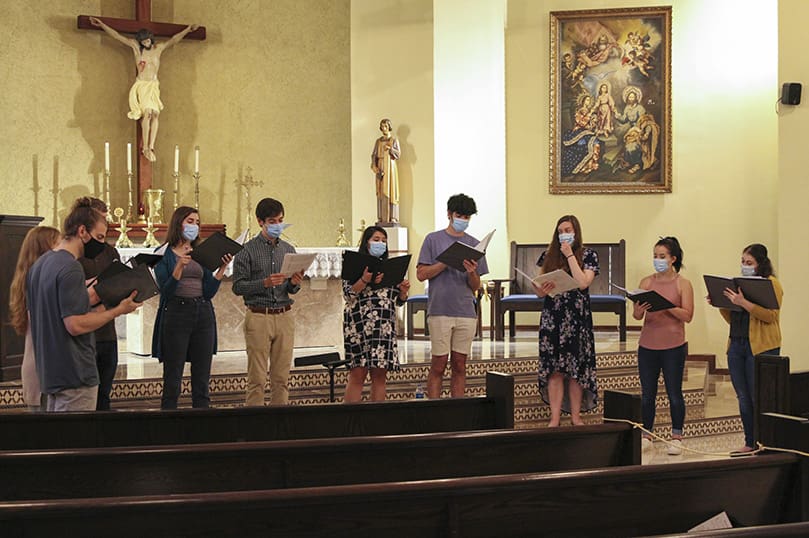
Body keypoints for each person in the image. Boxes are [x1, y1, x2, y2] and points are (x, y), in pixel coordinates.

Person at [27, 197, 140, 412]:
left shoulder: (41, 264)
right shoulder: (71, 267)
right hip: (75, 374)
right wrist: (118, 310)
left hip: (51, 371)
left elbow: (50, 310)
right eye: (98, 236)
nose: (100, 243)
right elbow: (75, 325)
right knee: (76, 441)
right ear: (82, 231)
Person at [151, 206, 231, 409]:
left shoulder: (200, 253)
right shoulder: (163, 253)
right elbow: (166, 293)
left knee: (202, 377)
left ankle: (202, 426)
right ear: (179, 223)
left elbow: (208, 292)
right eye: (190, 221)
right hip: (177, 313)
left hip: (202, 312)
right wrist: (179, 267)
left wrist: (221, 269)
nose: (194, 226)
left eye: (197, 222)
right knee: (173, 377)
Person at [89, 17, 199, 162]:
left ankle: (151, 146)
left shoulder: (158, 48)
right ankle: (145, 147)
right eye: (143, 41)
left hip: (153, 85)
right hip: (142, 85)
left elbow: (173, 39)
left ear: (151, 39)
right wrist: (102, 25)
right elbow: (117, 36)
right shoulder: (136, 48)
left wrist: (187, 29)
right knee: (147, 113)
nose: (145, 43)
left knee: (155, 114)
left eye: (147, 40)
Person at [232, 198, 305, 406]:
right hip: (258, 316)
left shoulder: (288, 249)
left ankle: (279, 426)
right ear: (260, 222)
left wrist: (294, 282)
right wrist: (264, 283)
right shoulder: (246, 250)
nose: (277, 226)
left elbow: (292, 289)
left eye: (281, 220)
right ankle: (256, 428)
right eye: (272, 221)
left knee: (281, 378)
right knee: (257, 378)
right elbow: (238, 287)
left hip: (284, 315)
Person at [417, 193, 488, 398]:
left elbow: (475, 286)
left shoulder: (474, 244)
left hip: (465, 310)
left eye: (467, 217)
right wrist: (445, 261)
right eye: (459, 216)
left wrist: (471, 271)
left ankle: (458, 411)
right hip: (440, 310)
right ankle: (435, 409)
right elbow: (421, 274)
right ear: (449, 214)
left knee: (460, 364)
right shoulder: (433, 239)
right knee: (438, 364)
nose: (463, 221)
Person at [714, 243, 782, 453]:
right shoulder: (738, 284)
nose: (744, 266)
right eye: (743, 262)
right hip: (737, 344)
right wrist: (721, 302)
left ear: (761, 263)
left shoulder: (771, 284)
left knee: (758, 396)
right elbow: (732, 319)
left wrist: (744, 302)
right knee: (743, 397)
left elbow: (771, 316)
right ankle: (749, 442)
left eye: (749, 262)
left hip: (762, 347)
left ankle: (765, 443)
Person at [532, 215, 598, 426]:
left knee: (576, 369)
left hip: (577, 319)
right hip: (554, 318)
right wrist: (541, 289)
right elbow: (539, 291)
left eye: (567, 230)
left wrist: (570, 256)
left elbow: (582, 283)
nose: (563, 234)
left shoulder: (588, 255)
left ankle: (576, 417)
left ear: (576, 232)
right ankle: (554, 418)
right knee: (555, 369)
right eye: (560, 231)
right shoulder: (548, 255)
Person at [632, 237, 694, 455]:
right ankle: (646, 434)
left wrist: (667, 306)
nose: (657, 260)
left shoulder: (682, 283)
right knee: (647, 393)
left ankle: (676, 435)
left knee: (674, 393)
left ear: (673, 259)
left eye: (662, 256)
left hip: (673, 346)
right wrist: (640, 308)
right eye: (655, 256)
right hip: (648, 345)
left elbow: (687, 315)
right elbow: (637, 314)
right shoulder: (646, 282)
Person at [342, 226, 410, 402]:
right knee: (358, 373)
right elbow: (348, 294)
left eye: (383, 240)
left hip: (383, 326)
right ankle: (350, 421)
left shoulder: (390, 266)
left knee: (379, 376)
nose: (380, 243)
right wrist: (365, 279)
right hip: (358, 325)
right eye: (376, 239)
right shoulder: (354, 263)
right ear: (367, 242)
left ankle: (376, 420)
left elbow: (398, 300)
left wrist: (403, 292)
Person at [9, 226, 61, 411]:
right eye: (57, 243)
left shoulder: (28, 277)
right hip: (42, 367)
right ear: (45, 249)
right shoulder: (38, 280)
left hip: (38, 363)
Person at [78, 198, 122, 410]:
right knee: (85, 396)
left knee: (104, 394)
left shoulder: (110, 252)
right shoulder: (73, 255)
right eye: (99, 220)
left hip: (107, 334)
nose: (104, 225)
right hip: (84, 334)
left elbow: (118, 283)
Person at [371, 118, 401, 224]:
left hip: (390, 168)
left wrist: (390, 149)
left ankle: (393, 217)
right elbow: (374, 155)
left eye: (386, 126)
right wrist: (375, 166)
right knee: (380, 192)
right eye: (382, 126)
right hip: (380, 167)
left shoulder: (393, 140)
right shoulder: (378, 142)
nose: (384, 128)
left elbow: (398, 154)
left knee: (391, 192)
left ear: (389, 127)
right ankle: (381, 218)